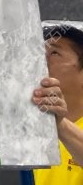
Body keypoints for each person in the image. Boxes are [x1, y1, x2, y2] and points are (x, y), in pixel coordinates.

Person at [34, 24, 83, 185]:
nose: (40, 60)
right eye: (39, 52)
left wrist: (60, 125)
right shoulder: (30, 129)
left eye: (54, 53)